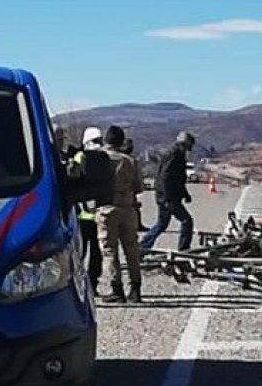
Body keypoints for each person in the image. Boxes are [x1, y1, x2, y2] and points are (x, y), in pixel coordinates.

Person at [96, 125, 144, 303]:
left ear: (106, 140)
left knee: (110, 252)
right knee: (131, 251)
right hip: (128, 209)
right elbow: (139, 187)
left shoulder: (98, 159)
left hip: (106, 209)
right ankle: (136, 288)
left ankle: (117, 289)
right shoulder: (130, 161)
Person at [140, 131, 197, 251]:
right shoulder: (174, 153)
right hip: (168, 196)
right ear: (185, 144)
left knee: (162, 224)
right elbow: (166, 176)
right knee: (187, 221)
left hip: (167, 195)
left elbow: (178, 177)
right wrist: (166, 198)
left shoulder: (177, 153)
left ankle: (143, 246)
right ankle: (184, 249)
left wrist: (185, 194)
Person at [72, 127, 105, 296]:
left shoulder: (79, 157)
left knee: (84, 252)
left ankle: (83, 284)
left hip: (84, 212)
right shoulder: (104, 158)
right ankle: (91, 283)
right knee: (93, 251)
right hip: (96, 212)